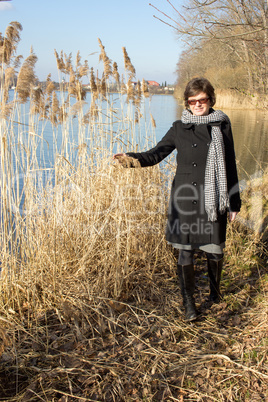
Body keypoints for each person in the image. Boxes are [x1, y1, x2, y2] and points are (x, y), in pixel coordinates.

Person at [113, 77, 241, 322]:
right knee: (185, 253)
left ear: (210, 99)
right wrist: (130, 159)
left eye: (202, 99)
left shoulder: (222, 125)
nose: (197, 104)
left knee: (214, 251)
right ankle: (189, 303)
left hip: (211, 198)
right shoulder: (178, 127)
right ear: (187, 103)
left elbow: (229, 163)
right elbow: (156, 154)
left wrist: (234, 202)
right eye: (192, 101)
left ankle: (215, 294)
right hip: (183, 200)